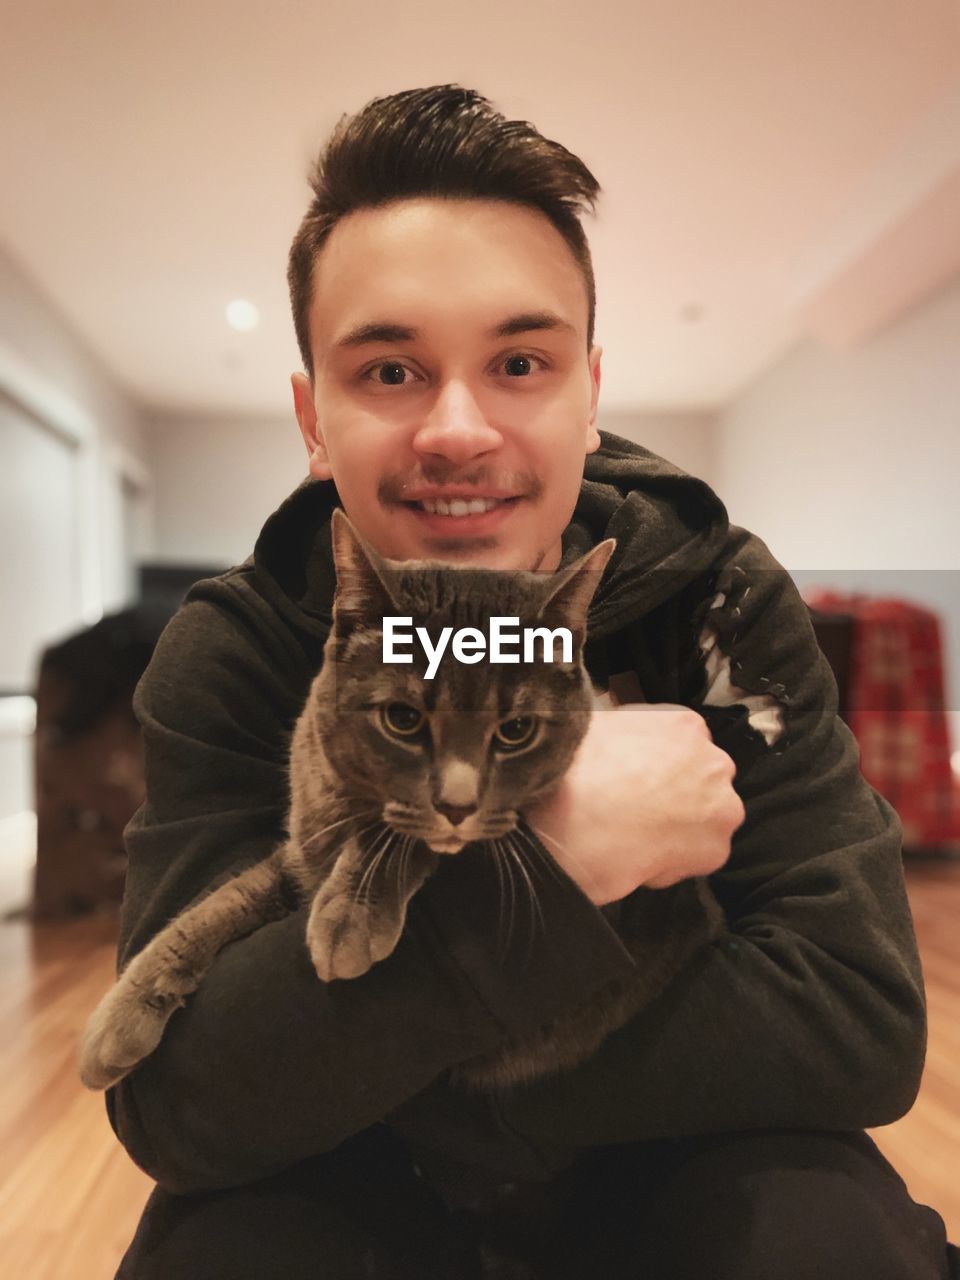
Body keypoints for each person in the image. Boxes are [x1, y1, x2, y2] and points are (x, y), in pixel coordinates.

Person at [107, 85, 957, 1279]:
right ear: (312, 414)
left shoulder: (714, 595)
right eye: (391, 369)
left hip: (668, 1162)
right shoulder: (237, 646)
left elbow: (855, 1021)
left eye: (519, 359)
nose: (458, 428)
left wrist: (383, 1058)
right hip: (350, 1190)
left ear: (590, 390)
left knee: (825, 1240)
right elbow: (180, 1099)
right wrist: (561, 862)